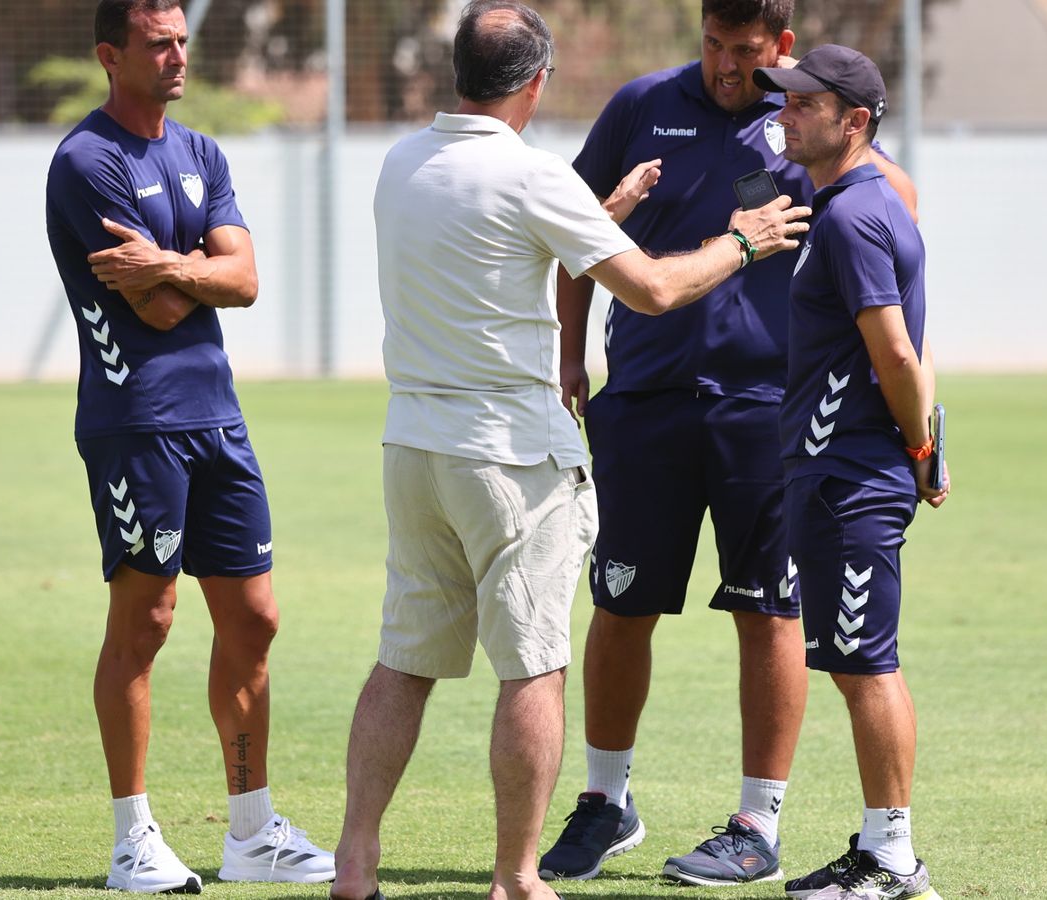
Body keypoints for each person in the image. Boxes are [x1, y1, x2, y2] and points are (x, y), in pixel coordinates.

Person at [327, 4, 812, 900]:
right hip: (509, 459)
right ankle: (518, 877)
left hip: (415, 446)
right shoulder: (534, 176)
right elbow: (659, 286)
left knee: (402, 662)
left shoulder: (400, 163)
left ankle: (354, 863)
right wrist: (744, 241)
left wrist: (609, 211)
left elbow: (509, 243)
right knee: (534, 668)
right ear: (538, 80)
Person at [539, 0, 916, 887]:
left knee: (767, 609)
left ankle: (758, 820)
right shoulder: (641, 105)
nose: (724, 65)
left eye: (744, 51)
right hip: (642, 399)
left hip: (769, 412)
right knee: (622, 603)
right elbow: (577, 232)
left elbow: (889, 200)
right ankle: (605, 801)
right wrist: (570, 357)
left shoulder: (804, 127)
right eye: (712, 45)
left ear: (780, 48)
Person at [44, 0, 333, 892]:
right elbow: (164, 310)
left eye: (181, 40)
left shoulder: (202, 152)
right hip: (137, 426)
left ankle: (251, 834)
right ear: (110, 55)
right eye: (157, 43)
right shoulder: (85, 163)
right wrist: (192, 272)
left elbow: (239, 280)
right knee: (148, 621)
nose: (177, 55)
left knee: (254, 619)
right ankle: (133, 840)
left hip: (219, 419)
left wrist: (169, 262)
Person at [753, 46, 948, 900]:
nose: (785, 115)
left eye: (804, 104)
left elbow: (898, 351)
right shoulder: (856, 201)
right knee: (852, 660)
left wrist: (913, 445)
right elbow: (915, 347)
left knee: (867, 663)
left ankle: (894, 861)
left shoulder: (851, 217)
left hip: (852, 477)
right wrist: (930, 439)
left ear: (855, 122)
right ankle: (882, 848)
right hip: (838, 474)